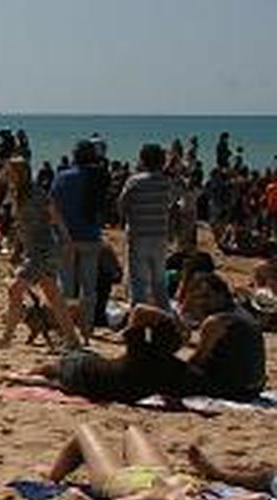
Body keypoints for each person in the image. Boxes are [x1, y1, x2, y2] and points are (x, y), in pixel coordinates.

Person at [37, 423, 276, 500]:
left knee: (85, 431)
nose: (257, 498)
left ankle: (52, 476)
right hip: (159, 473)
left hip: (123, 482)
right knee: (132, 430)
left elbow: (148, 499)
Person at [7, 304, 190, 403]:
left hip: (91, 374)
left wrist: (169, 319)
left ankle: (24, 375)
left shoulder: (140, 350)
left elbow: (140, 310)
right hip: (102, 384)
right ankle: (29, 377)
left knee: (56, 368)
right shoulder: (170, 369)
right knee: (59, 375)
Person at [0, 157, 80, 348]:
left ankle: (7, 338)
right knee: (53, 297)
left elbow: (55, 215)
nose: (6, 174)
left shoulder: (35, 193)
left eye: (9, 171)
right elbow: (21, 225)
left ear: (19, 173)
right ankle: (73, 339)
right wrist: (17, 249)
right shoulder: (16, 193)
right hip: (33, 250)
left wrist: (67, 240)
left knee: (15, 288)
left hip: (43, 250)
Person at [50, 140, 106, 339]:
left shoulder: (62, 177)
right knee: (89, 288)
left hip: (66, 237)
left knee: (66, 286)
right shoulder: (99, 177)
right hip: (91, 236)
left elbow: (52, 207)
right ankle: (87, 328)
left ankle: (65, 328)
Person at [180, 272, 266, 400]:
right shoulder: (240, 312)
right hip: (254, 387)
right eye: (198, 297)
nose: (202, 302)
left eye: (207, 296)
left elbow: (198, 359)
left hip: (233, 390)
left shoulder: (216, 321)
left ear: (221, 295)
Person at [117, 144, 175, 308]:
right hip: (160, 234)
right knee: (159, 279)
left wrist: (127, 216)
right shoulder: (166, 182)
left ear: (142, 160)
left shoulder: (134, 181)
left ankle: (140, 314)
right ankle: (164, 311)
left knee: (139, 280)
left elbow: (121, 205)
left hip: (138, 234)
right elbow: (171, 203)